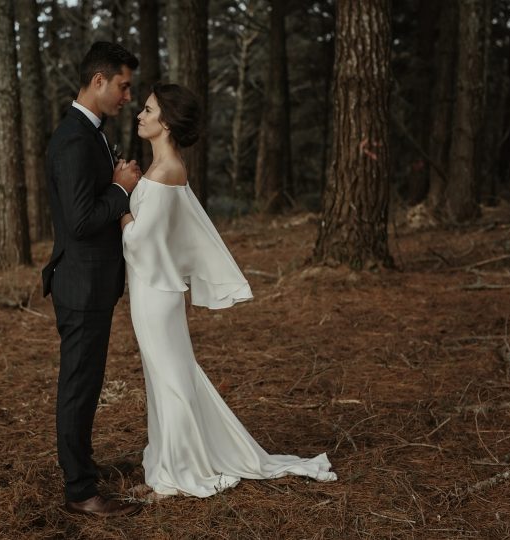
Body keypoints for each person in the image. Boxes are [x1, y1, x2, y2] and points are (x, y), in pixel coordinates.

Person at [121, 83, 337, 501]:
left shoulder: (167, 173)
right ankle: (171, 458)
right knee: (165, 378)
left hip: (155, 293)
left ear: (166, 122)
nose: (140, 116)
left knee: (172, 380)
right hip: (150, 289)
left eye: (148, 110)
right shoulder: (162, 168)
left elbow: (138, 243)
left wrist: (120, 202)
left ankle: (179, 469)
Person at [42, 42, 143, 517]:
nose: (128, 96)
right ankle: (81, 491)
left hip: (93, 284)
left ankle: (82, 467)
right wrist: (121, 189)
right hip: (81, 286)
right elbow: (81, 220)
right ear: (98, 81)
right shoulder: (72, 138)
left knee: (86, 383)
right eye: (123, 85)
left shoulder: (92, 133)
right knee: (79, 387)